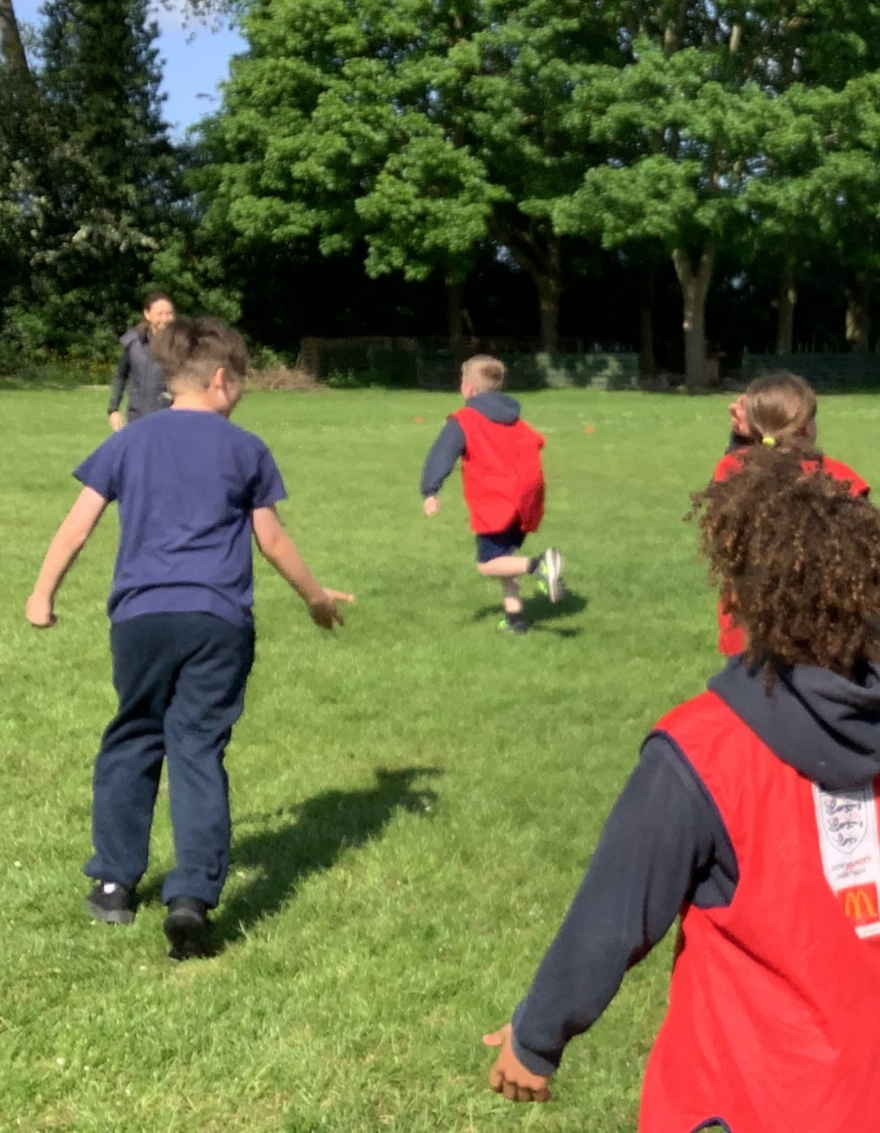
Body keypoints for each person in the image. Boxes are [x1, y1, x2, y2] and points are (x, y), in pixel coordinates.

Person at [482, 449, 880, 1132]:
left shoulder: (702, 751)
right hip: (873, 1099)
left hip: (739, 1103)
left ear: (740, 598)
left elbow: (613, 912)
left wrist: (537, 1036)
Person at [26, 316, 352, 960]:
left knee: (133, 736)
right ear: (222, 379)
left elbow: (77, 524)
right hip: (217, 621)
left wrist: (42, 595)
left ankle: (114, 884)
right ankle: (192, 898)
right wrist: (315, 597)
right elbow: (272, 539)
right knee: (198, 747)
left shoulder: (130, 440)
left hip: (141, 620)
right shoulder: (245, 448)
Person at [710, 372, 868, 657]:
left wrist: (741, 437)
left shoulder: (734, 471)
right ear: (807, 427)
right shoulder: (841, 478)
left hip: (747, 629)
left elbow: (735, 468)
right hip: (822, 628)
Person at [420, 355, 563, 634]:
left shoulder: (465, 419)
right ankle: (515, 620)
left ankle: (539, 565)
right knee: (504, 558)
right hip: (527, 497)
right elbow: (536, 442)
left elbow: (441, 454)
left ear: (469, 388)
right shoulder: (514, 420)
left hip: (497, 500)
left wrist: (430, 490)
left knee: (488, 564)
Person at [107, 292, 176, 431]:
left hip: (170, 418)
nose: (165, 319)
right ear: (147, 314)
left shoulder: (181, 345)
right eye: (160, 314)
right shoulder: (133, 342)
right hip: (137, 417)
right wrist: (113, 410)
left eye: (169, 313)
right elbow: (120, 376)